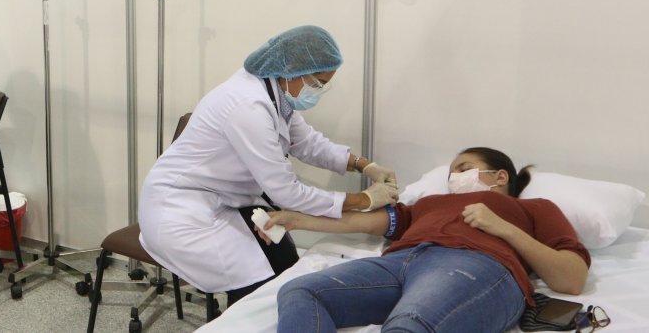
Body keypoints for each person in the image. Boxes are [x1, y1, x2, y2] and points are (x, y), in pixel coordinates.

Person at [138, 25, 400, 307]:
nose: (320, 91)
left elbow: (308, 143)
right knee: (255, 283)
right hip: (179, 211)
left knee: (283, 259)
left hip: (220, 199)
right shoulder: (248, 106)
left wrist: (364, 165)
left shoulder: (275, 94)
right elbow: (287, 193)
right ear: (292, 70)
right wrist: (364, 199)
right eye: (318, 83)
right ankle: (240, 322)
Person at [266, 147, 591, 333]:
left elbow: (572, 278)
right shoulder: (429, 204)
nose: (454, 177)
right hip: (398, 262)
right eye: (451, 173)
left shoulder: (534, 208)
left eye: (463, 168)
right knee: (301, 291)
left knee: (408, 326)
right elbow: (361, 222)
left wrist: (503, 228)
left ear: (500, 176)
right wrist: (298, 220)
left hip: (472, 265)